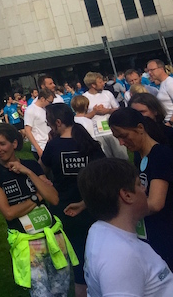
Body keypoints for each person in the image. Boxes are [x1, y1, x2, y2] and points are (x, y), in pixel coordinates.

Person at [0, 123, 77, 296]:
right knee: (40, 293)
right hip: (28, 242)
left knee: (61, 291)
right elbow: (9, 213)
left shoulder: (31, 165)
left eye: (2, 143)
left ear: (14, 143)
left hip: (53, 236)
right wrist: (37, 197)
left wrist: (28, 172)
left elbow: (53, 198)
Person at [78, 158, 173, 297]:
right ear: (127, 195)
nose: (144, 189)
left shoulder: (98, 229)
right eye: (139, 184)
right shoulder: (120, 256)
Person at [41, 103, 104, 297]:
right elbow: (104, 173)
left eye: (48, 122)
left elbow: (40, 171)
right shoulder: (89, 143)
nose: (48, 125)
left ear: (58, 122)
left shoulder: (54, 146)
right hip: (92, 206)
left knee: (76, 258)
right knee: (96, 254)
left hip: (64, 208)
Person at [109, 107, 173, 267]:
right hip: (149, 232)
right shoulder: (139, 155)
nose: (121, 143)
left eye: (124, 136)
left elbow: (156, 203)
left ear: (140, 128)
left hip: (166, 232)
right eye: (117, 138)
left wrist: (122, 212)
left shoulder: (160, 155)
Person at [82, 71, 128, 159]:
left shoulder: (107, 94)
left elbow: (117, 109)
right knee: (106, 159)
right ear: (93, 85)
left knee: (122, 157)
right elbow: (82, 117)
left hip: (112, 130)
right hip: (97, 134)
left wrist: (107, 111)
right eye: (100, 82)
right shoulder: (84, 98)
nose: (103, 83)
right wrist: (94, 112)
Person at [23, 88, 52, 160]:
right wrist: (38, 149)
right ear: (42, 99)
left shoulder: (44, 108)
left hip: (49, 144)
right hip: (40, 146)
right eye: (49, 102)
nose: (50, 104)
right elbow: (27, 130)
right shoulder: (31, 110)